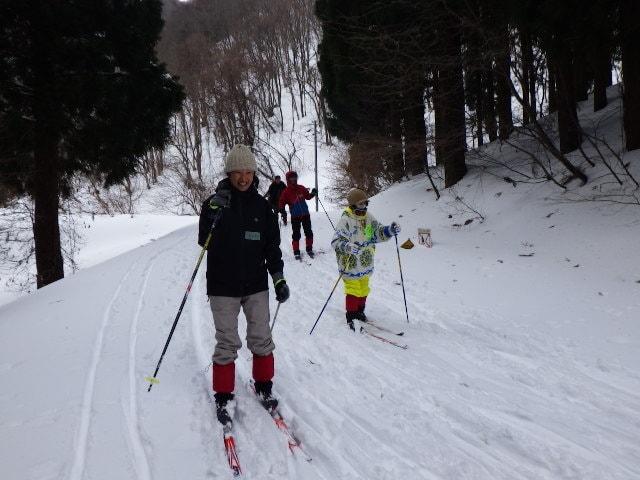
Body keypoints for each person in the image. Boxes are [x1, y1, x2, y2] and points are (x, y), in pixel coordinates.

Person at [198, 144, 290, 426]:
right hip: (222, 286)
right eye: (238, 172)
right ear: (229, 173)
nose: (244, 177)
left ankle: (264, 386)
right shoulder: (214, 203)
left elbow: (272, 248)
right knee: (227, 342)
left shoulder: (263, 208)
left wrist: (278, 278)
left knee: (261, 338)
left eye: (248, 171)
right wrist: (213, 211)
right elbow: (204, 242)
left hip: (255, 285)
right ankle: (223, 394)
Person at [330, 188, 400, 330]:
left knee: (364, 288)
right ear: (353, 204)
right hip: (350, 263)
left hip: (365, 261)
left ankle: (360, 312)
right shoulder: (346, 219)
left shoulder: (368, 217)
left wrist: (389, 231)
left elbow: (375, 233)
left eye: (365, 203)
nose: (364, 207)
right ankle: (351, 315)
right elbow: (336, 241)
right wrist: (347, 246)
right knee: (353, 289)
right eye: (361, 204)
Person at [278, 170, 317, 259]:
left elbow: (307, 196)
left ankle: (309, 249)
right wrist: (281, 209)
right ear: (288, 179)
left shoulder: (301, 188)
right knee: (296, 234)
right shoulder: (286, 192)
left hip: (305, 214)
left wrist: (313, 193)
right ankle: (296, 251)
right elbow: (281, 202)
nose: (293, 179)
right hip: (295, 216)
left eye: (295, 177)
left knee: (309, 232)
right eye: (291, 177)